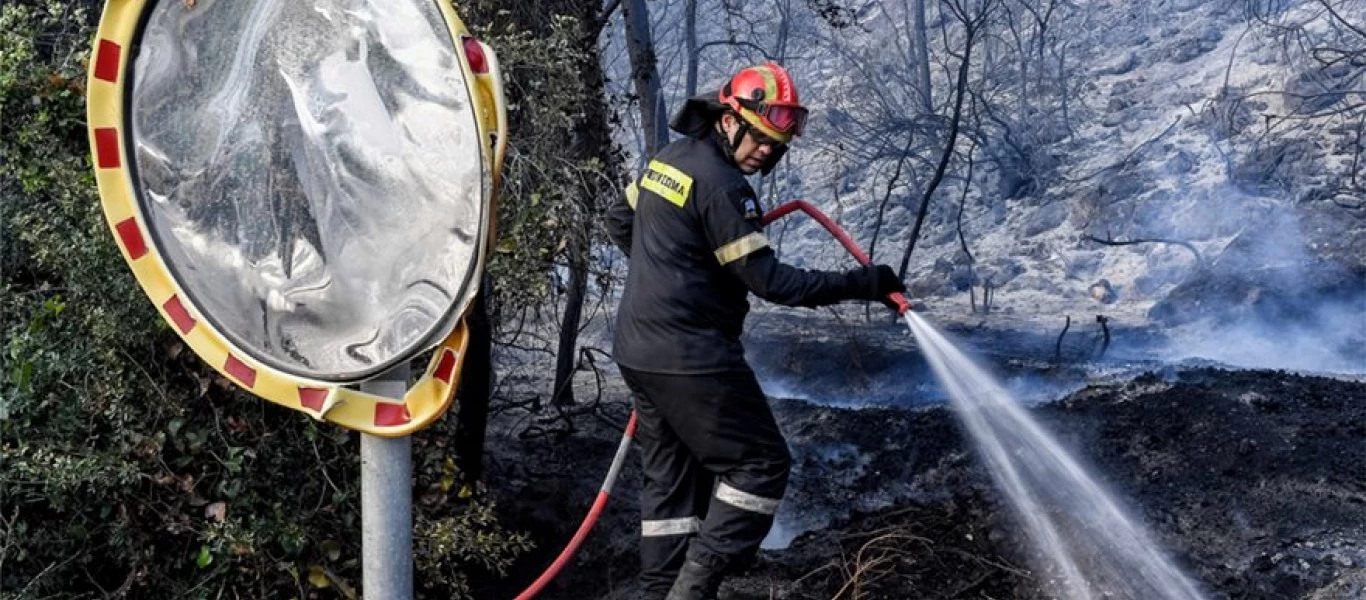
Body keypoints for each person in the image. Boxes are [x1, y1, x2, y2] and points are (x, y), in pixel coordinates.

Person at [605, 62, 906, 600]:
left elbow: (620, 221)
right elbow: (770, 282)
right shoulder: (725, 188)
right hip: (692, 355)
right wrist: (864, 283)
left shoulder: (666, 162)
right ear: (729, 119)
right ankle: (691, 592)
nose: (766, 151)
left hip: (637, 348)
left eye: (776, 144)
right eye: (760, 138)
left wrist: (671, 271)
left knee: (671, 493)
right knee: (761, 466)